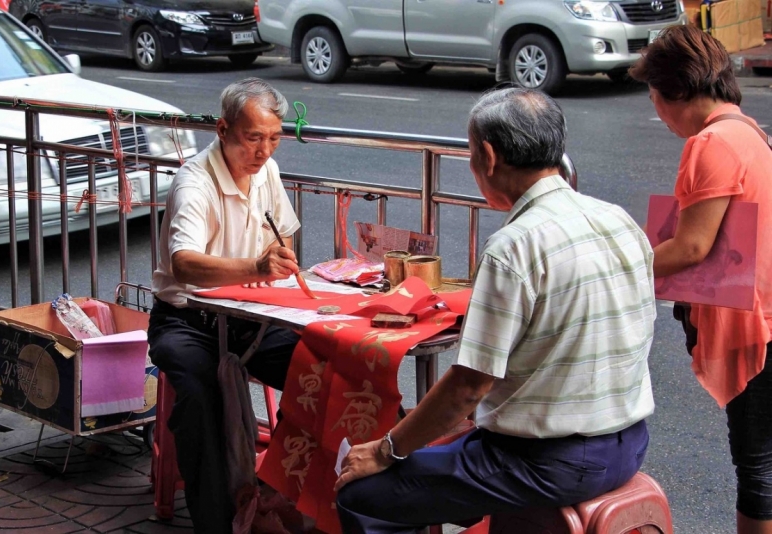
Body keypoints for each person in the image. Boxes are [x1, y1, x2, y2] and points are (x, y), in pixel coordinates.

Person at [333, 87, 657, 534]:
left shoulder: (514, 246)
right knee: (443, 451)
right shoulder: (617, 219)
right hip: (629, 443)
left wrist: (387, 449)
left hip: (548, 463)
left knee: (362, 497)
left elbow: (470, 386)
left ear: (487, 156)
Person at [629, 25, 772, 534]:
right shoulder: (748, 130)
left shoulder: (712, 143)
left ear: (677, 91)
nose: (658, 110)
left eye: (654, 95)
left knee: (756, 466)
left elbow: (693, 246)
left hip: (757, 324)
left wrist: (619, 269)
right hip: (763, 310)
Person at [148, 78, 302, 534]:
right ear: (222, 129)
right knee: (201, 401)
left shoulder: (265, 172)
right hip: (186, 321)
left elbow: (283, 232)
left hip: (247, 316)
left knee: (318, 371)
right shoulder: (195, 182)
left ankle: (284, 496)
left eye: (274, 138)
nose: (264, 151)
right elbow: (184, 264)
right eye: (253, 137)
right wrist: (256, 265)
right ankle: (217, 523)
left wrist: (277, 257)